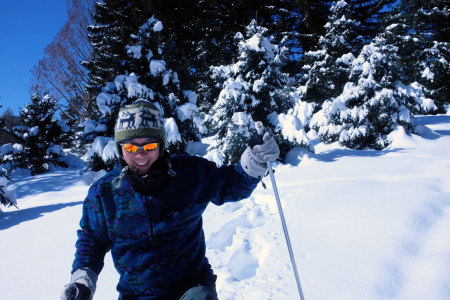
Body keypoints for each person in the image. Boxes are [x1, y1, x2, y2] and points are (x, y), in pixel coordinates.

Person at [61, 99, 279, 300]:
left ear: (161, 145)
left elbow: (232, 185)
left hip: (191, 286)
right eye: (130, 147)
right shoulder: (103, 193)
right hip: (135, 295)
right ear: (120, 148)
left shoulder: (190, 173)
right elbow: (92, 242)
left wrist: (255, 160)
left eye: (148, 146)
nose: (140, 154)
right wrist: (82, 281)